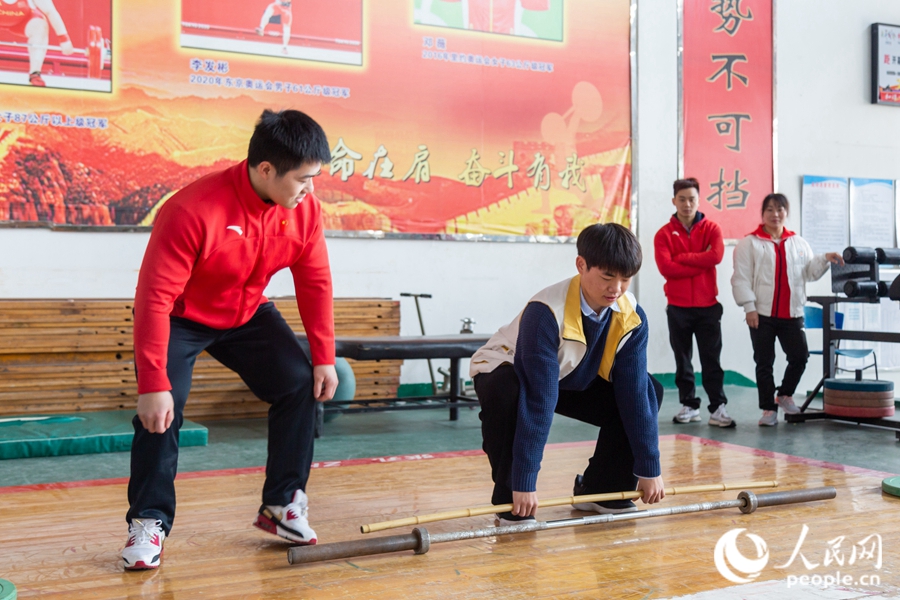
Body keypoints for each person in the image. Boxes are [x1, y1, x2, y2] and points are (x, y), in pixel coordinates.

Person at [122, 109, 337, 570]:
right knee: (163, 410)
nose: (310, 190)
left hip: (247, 312)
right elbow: (153, 300)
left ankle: (282, 505)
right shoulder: (192, 210)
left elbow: (315, 281)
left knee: (298, 382)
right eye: (303, 179)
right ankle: (148, 521)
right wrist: (153, 383)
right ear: (265, 170)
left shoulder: (304, 211)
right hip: (181, 316)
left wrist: (323, 357)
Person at [471, 223, 665, 523]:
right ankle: (510, 499)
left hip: (572, 376)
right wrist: (523, 482)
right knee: (508, 395)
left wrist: (649, 467)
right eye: (607, 277)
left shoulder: (632, 316)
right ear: (581, 265)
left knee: (650, 390)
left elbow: (635, 393)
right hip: (509, 369)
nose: (616, 289)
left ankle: (604, 489)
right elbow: (539, 400)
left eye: (626, 279)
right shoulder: (545, 312)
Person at [731, 193, 843, 427]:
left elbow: (810, 272)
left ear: (786, 212)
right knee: (764, 362)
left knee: (800, 356)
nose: (775, 214)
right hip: (761, 314)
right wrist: (749, 307)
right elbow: (741, 278)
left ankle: (784, 395)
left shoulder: (798, 243)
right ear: (762, 214)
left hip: (792, 313)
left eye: (780, 209)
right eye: (770, 209)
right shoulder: (749, 243)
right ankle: (768, 409)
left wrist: (825, 258)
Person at [654, 178, 732, 428]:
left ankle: (718, 407)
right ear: (674, 201)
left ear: (699, 200)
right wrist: (701, 261)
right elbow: (666, 268)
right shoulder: (664, 234)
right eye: (682, 199)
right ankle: (689, 404)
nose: (687, 204)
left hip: (708, 305)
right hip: (677, 307)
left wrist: (683, 258)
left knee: (712, 359)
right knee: (683, 359)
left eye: (692, 199)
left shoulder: (712, 229)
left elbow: (716, 256)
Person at [0, 0, 74, 87]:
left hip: (22, 22)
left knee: (40, 25)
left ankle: (35, 73)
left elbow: (50, 11)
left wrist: (64, 39)